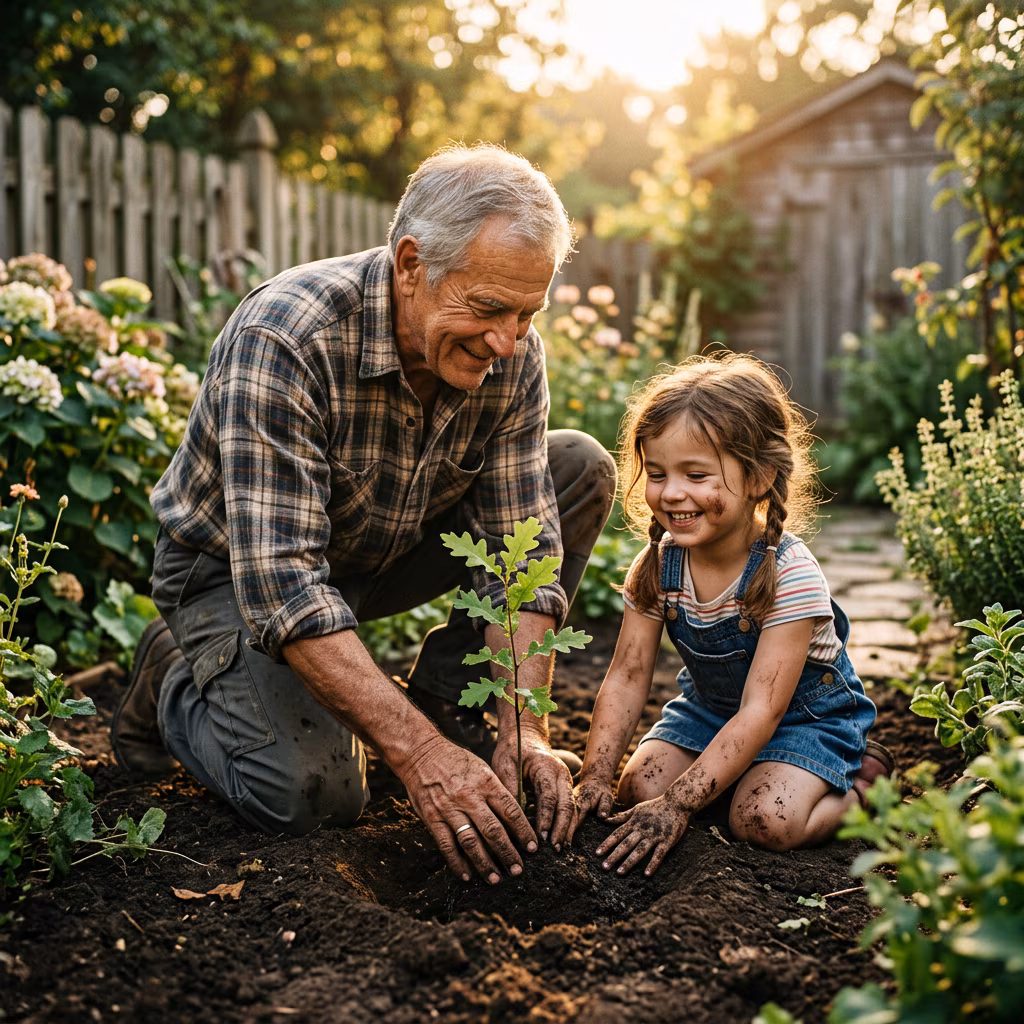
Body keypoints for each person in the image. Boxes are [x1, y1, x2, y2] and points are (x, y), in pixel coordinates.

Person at [111, 143, 616, 886]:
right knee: (312, 797)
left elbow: (525, 551)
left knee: (577, 468)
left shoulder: (511, 351)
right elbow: (285, 589)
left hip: (378, 548)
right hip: (235, 575)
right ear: (411, 264)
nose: (507, 342)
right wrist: (416, 756)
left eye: (525, 314)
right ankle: (176, 679)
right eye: (486, 309)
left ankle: (452, 704)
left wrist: (524, 728)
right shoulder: (287, 338)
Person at [572, 352, 894, 876]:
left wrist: (679, 804)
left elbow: (762, 711)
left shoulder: (790, 576)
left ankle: (861, 792)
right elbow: (628, 676)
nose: (672, 493)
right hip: (711, 712)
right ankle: (731, 780)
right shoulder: (658, 566)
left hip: (803, 721)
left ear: (760, 476)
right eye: (657, 474)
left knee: (765, 820)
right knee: (638, 788)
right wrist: (595, 777)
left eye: (696, 474)